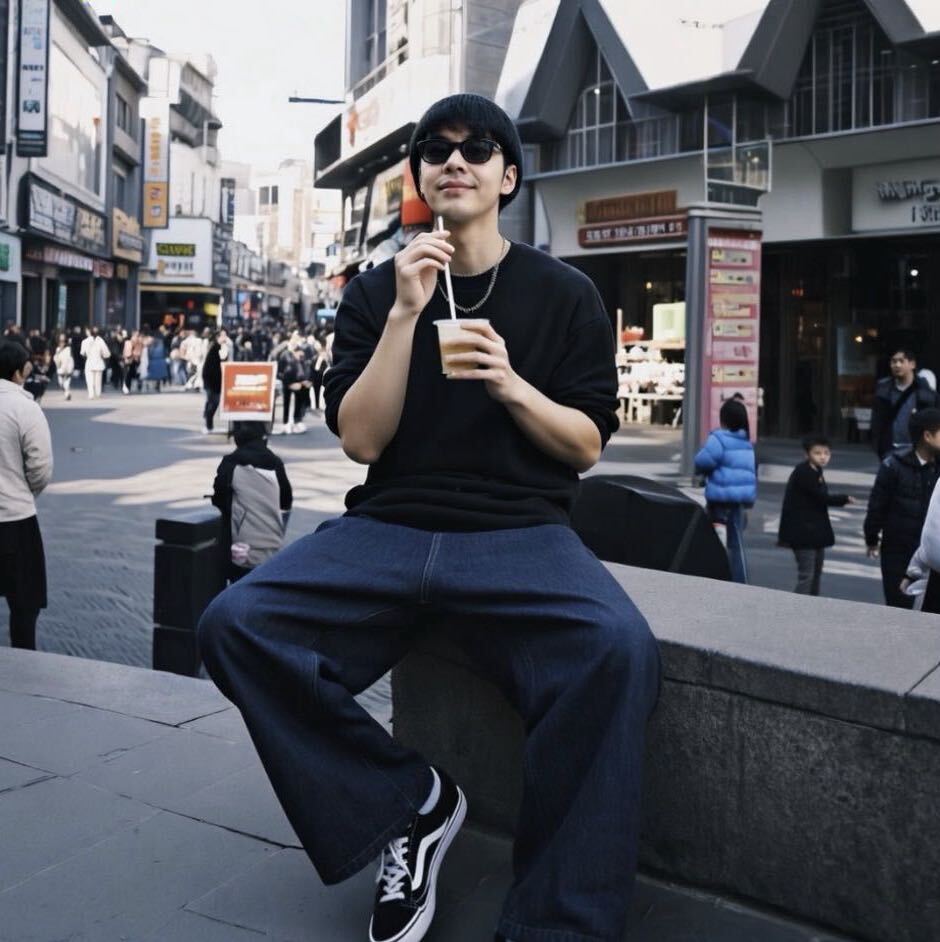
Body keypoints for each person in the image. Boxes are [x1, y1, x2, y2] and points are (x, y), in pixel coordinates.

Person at [197, 93, 661, 942]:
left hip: (522, 532)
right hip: (390, 526)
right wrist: (406, 315)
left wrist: (511, 385)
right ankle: (409, 802)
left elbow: (586, 445)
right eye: (437, 149)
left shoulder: (566, 295)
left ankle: (558, 923)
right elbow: (362, 441)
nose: (456, 159)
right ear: (417, 176)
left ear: (506, 176)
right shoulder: (378, 293)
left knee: (618, 649)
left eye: (478, 147)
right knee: (235, 623)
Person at [0, 341, 53, 649]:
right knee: (24, 603)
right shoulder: (25, 408)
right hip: (16, 518)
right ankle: (24, 663)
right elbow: (41, 466)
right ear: (18, 373)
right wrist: (26, 490)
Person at [864, 408, 940, 608]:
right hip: (897, 547)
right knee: (899, 604)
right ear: (927, 436)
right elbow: (878, 505)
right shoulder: (894, 465)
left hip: (929, 551)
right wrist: (872, 537)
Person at [211, 422, 292, 583]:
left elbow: (219, 498)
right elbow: (286, 501)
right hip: (272, 542)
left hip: (241, 545)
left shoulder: (231, 462)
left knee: (238, 583)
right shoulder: (275, 463)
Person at [778, 436, 855, 595]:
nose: (823, 457)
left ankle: (812, 604)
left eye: (826, 453)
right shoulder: (804, 472)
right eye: (817, 453)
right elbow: (820, 497)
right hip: (803, 532)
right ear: (807, 454)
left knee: (815, 573)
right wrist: (843, 499)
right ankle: (799, 605)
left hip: (813, 531)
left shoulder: (814, 470)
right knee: (807, 575)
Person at [694, 398, 757, 584]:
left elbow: (703, 461)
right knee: (736, 543)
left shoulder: (719, 438)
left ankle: (713, 576)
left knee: (714, 539)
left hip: (719, 500)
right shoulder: (746, 442)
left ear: (723, 419)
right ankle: (740, 580)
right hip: (738, 502)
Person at [870, 349, 937, 461]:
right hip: (890, 449)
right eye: (893, 361)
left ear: (912, 364)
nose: (897, 365)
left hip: (918, 450)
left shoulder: (925, 391)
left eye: (901, 361)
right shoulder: (883, 389)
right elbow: (877, 421)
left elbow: (933, 422)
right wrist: (879, 447)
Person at [201, 330, 225, 434]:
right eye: (223, 336)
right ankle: (208, 425)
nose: (225, 338)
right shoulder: (214, 349)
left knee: (211, 402)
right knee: (213, 402)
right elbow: (211, 367)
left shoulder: (216, 348)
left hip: (212, 380)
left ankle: (208, 423)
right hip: (212, 381)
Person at [80, 327, 110, 399]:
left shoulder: (85, 341)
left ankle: (91, 394)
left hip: (89, 362)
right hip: (99, 362)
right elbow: (107, 354)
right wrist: (102, 355)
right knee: (98, 381)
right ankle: (98, 394)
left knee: (89, 380)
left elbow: (82, 353)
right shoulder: (101, 341)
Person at [53, 334, 75, 401]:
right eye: (60, 342)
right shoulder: (57, 349)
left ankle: (67, 395)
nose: (61, 343)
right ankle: (67, 393)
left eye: (63, 342)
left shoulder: (68, 349)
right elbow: (56, 359)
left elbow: (70, 360)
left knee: (66, 383)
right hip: (60, 369)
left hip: (68, 369)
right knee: (61, 383)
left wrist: (70, 369)